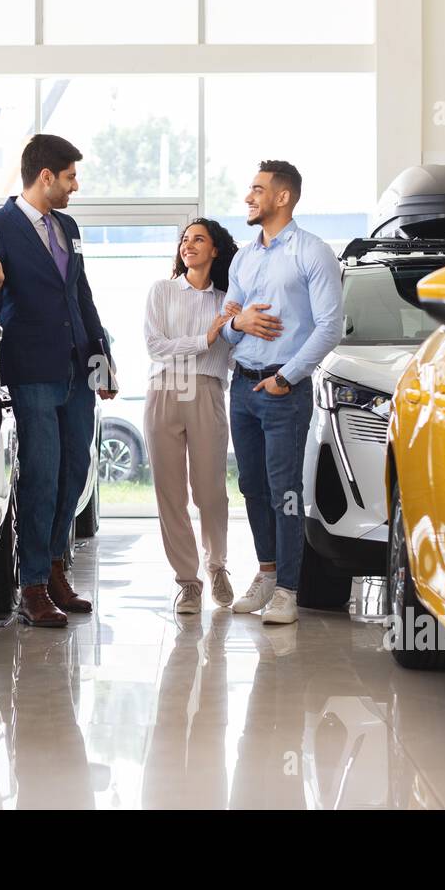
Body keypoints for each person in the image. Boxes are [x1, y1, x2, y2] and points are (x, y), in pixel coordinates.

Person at [0, 134, 116, 628]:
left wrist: (102, 358)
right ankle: (31, 585)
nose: (76, 186)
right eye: (71, 177)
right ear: (47, 176)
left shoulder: (68, 226)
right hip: (32, 370)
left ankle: (56, 567)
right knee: (42, 473)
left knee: (75, 470)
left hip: (77, 368)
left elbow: (81, 294)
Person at [222, 160, 343, 625]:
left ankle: (289, 590)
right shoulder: (243, 257)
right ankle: (267, 574)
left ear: (282, 197)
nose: (249, 198)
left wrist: (287, 377)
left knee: (283, 490)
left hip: (283, 389)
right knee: (251, 486)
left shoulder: (312, 253)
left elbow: (330, 326)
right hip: (242, 384)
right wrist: (238, 322)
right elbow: (226, 325)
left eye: (257, 190)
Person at [142, 219, 242, 614]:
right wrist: (206, 338)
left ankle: (216, 566)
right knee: (170, 493)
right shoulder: (162, 291)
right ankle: (188, 581)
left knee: (210, 491)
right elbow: (155, 346)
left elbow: (233, 355)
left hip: (206, 389)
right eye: (184, 239)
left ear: (215, 249)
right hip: (164, 390)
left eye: (198, 239)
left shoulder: (227, 302)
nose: (188, 245)